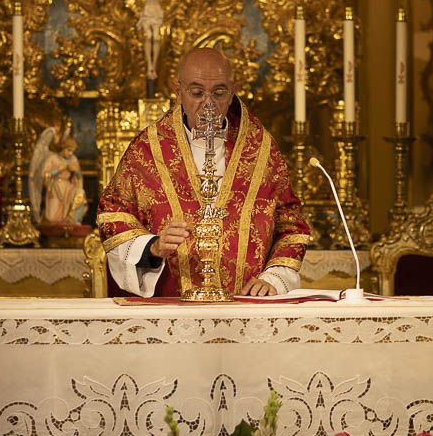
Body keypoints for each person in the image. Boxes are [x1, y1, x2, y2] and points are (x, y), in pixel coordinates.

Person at [97, 48, 312, 297]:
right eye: (197, 92)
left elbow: (291, 224)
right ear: (178, 92)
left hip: (245, 306)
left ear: (233, 91)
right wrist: (152, 248)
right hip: (170, 310)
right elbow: (113, 216)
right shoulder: (147, 151)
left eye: (219, 92)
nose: (208, 103)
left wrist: (274, 277)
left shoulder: (261, 150)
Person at [102, 0, 206, 90]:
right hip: (147, 11)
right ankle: (149, 66)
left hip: (156, 11)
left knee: (156, 38)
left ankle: (153, 66)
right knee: (148, 37)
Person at [41, 136, 88, 227]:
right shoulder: (52, 158)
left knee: (80, 193)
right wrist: (58, 170)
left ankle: (74, 221)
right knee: (52, 217)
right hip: (55, 187)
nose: (71, 154)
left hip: (68, 186)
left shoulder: (73, 159)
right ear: (62, 149)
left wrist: (75, 171)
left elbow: (79, 176)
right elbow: (45, 174)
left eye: (73, 151)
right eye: (69, 150)